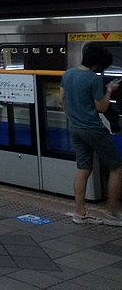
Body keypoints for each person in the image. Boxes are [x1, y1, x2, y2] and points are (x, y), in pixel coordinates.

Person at [60, 43, 122, 225]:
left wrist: (74, 118)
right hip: (93, 130)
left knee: (83, 169)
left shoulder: (68, 74)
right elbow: (101, 107)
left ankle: (79, 212)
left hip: (76, 129)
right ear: (98, 64)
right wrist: (109, 90)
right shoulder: (93, 79)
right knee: (117, 169)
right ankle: (112, 214)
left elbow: (61, 101)